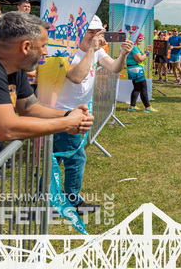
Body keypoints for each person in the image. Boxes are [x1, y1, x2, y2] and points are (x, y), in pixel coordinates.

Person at [53, 15, 133, 213]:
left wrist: (123, 55)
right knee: (76, 158)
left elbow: (114, 67)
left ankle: (44, 193)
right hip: (63, 112)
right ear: (80, 32)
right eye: (91, 32)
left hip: (79, 111)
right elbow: (76, 77)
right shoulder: (67, 51)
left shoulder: (96, 51)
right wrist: (91, 50)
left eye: (99, 32)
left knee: (56, 158)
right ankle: (73, 202)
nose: (96, 37)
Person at [0, 12, 93, 163]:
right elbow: (6, 129)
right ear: (26, 46)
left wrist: (68, 115)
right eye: (43, 46)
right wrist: (67, 123)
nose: (45, 52)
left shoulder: (13, 65)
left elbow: (29, 107)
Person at [126, 34, 157, 113]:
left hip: (133, 69)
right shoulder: (134, 47)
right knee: (143, 88)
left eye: (142, 38)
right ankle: (147, 107)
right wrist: (147, 52)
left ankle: (132, 106)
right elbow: (139, 59)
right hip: (136, 69)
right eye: (140, 38)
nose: (141, 40)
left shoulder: (132, 47)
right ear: (135, 38)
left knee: (136, 88)